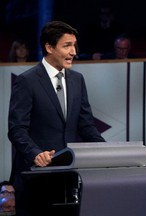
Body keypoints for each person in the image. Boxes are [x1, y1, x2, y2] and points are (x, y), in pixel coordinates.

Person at [8, 20, 105, 215]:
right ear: (49, 47)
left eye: (74, 45)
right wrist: (36, 153)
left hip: (69, 179)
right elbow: (16, 129)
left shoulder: (77, 80)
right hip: (35, 179)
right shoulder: (27, 81)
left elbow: (86, 126)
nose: (73, 52)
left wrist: (108, 152)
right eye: (67, 46)